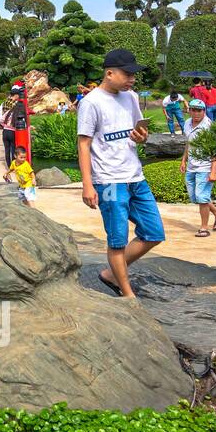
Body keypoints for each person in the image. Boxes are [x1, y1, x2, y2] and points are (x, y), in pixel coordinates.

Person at [78, 48, 165, 299]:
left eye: (133, 75)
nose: (132, 79)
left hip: (135, 176)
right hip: (109, 181)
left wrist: (142, 137)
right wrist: (87, 185)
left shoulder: (131, 97)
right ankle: (128, 296)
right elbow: (83, 144)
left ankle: (111, 273)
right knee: (117, 240)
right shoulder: (91, 102)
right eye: (127, 74)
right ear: (109, 73)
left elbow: (137, 132)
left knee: (153, 232)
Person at [182, 99, 216, 236]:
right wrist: (183, 160)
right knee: (195, 197)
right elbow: (188, 143)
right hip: (191, 167)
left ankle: (203, 228)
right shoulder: (186, 123)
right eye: (193, 110)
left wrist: (213, 171)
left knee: (202, 198)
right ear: (189, 110)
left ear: (204, 111)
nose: (196, 113)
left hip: (205, 167)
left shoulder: (209, 126)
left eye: (199, 110)